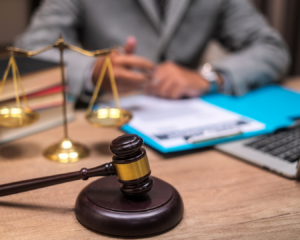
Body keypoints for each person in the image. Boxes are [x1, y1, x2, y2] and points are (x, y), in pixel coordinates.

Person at [15, 0, 290, 102]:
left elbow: (271, 47)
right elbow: (29, 50)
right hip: (102, 126)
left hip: (189, 121)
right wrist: (92, 71)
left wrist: (210, 78)